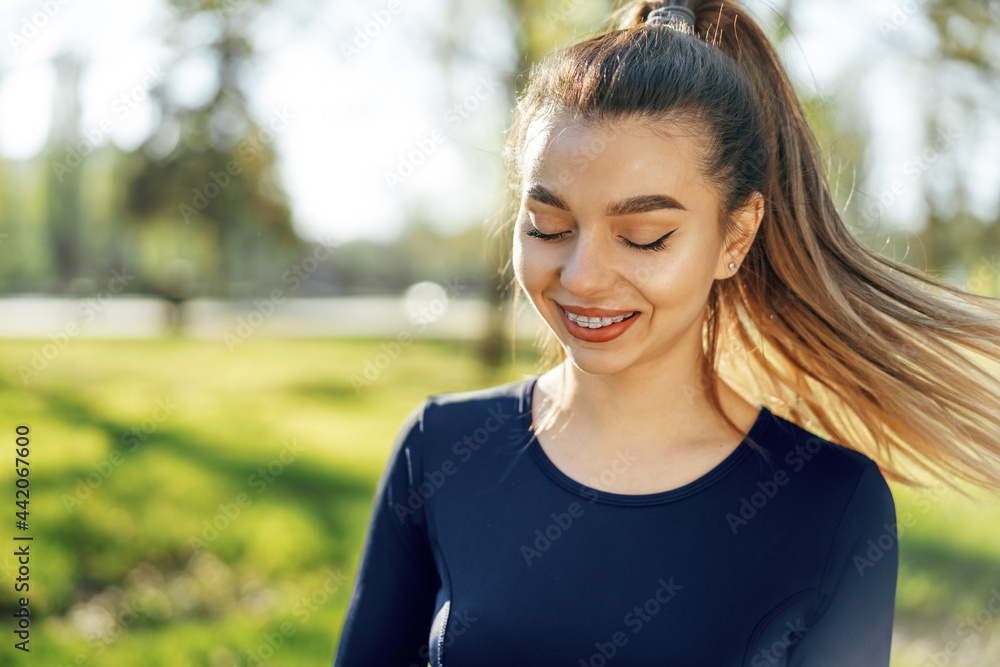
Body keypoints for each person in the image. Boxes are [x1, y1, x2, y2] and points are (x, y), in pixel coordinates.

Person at [332, 2, 1000, 665]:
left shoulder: (830, 505)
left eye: (644, 236)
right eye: (547, 225)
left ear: (734, 237)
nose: (583, 275)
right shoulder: (441, 451)